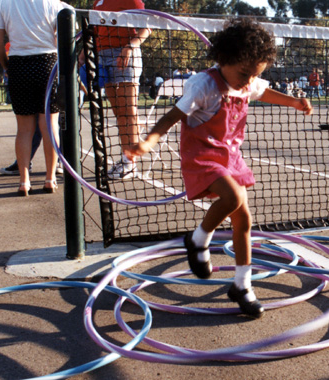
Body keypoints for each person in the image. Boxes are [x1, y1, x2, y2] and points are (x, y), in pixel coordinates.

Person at [125, 18, 313, 318]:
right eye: (244, 73)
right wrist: (147, 143)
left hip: (230, 157)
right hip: (201, 156)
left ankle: (242, 285)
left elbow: (264, 92)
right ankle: (198, 239)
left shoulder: (247, 82)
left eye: (255, 75)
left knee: (244, 222)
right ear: (224, 59)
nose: (248, 81)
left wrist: (293, 102)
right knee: (234, 199)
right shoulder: (204, 85)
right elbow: (171, 117)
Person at [0, 0, 72, 196]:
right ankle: (50, 178)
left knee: (24, 128)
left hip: (19, 64)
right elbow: (67, 40)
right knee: (49, 124)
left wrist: (6, 65)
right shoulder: (56, 4)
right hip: (48, 64)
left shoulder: (4, 3)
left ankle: (24, 181)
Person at [93, 0, 151, 179]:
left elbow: (147, 28)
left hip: (125, 56)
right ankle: (127, 158)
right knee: (119, 112)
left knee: (129, 112)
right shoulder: (97, 2)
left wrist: (130, 46)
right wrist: (82, 55)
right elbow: (94, 32)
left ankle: (130, 163)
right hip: (103, 57)